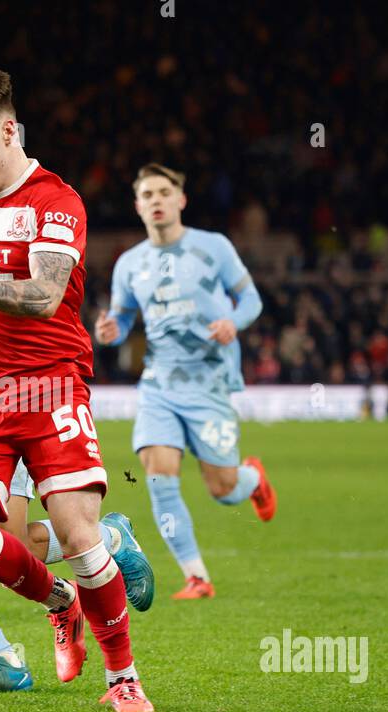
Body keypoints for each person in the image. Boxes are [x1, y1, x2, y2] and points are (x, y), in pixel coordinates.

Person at [0, 68, 154, 712]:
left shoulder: (56, 201)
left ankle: (123, 678)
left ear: (9, 131)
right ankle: (61, 602)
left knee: (79, 534)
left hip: (52, 387)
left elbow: (45, 297)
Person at [94, 164, 276, 600]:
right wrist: (111, 330)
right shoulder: (130, 264)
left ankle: (251, 478)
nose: (156, 200)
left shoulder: (213, 247)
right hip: (159, 384)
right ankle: (197, 577)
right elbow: (121, 318)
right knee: (158, 474)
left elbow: (251, 298)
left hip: (210, 382)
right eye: (147, 194)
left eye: (164, 192)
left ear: (181, 200)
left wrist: (233, 321)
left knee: (223, 489)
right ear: (138, 206)